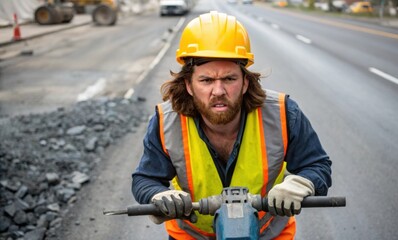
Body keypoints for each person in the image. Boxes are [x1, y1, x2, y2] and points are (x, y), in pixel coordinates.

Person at [132, 11, 332, 239]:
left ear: (245, 82)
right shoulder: (167, 121)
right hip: (193, 234)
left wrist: (302, 183)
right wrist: (157, 195)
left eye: (229, 79)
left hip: (266, 233)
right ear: (188, 85)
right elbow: (145, 178)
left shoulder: (283, 114)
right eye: (206, 80)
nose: (218, 91)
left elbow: (318, 166)